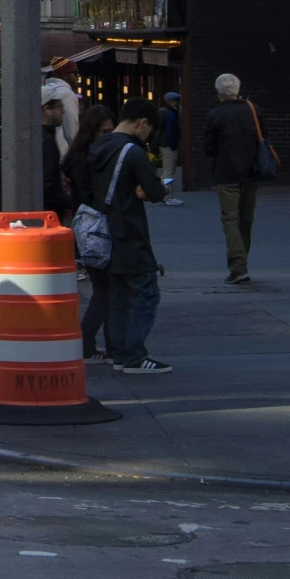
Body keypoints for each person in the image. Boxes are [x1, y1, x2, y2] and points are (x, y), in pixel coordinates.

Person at [89, 98, 170, 374]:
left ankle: (120, 353)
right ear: (142, 123)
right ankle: (135, 355)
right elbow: (156, 192)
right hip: (129, 230)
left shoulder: (98, 147)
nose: (149, 136)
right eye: (150, 129)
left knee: (119, 295)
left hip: (101, 233)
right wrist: (160, 189)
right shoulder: (132, 153)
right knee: (146, 293)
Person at [202, 73, 261, 284]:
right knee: (246, 220)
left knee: (230, 220)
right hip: (251, 173)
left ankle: (238, 267)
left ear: (219, 93)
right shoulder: (253, 110)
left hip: (226, 174)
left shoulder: (215, 115)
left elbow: (208, 149)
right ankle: (242, 261)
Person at [67, 104, 116, 360]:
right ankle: (88, 340)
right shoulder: (89, 158)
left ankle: (104, 343)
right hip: (95, 226)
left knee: (104, 288)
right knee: (104, 289)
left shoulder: (79, 155)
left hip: (86, 225)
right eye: (104, 130)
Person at [39, 86, 71, 217]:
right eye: (59, 106)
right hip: (49, 214)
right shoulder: (46, 140)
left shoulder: (43, 136)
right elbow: (48, 184)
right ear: (47, 110)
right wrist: (67, 203)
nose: (63, 111)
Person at [157, 91, 184, 202]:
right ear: (173, 101)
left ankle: (166, 195)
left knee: (167, 171)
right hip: (169, 145)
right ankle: (167, 196)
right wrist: (173, 144)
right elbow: (170, 131)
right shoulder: (171, 114)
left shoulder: (162, 112)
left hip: (164, 144)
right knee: (168, 172)